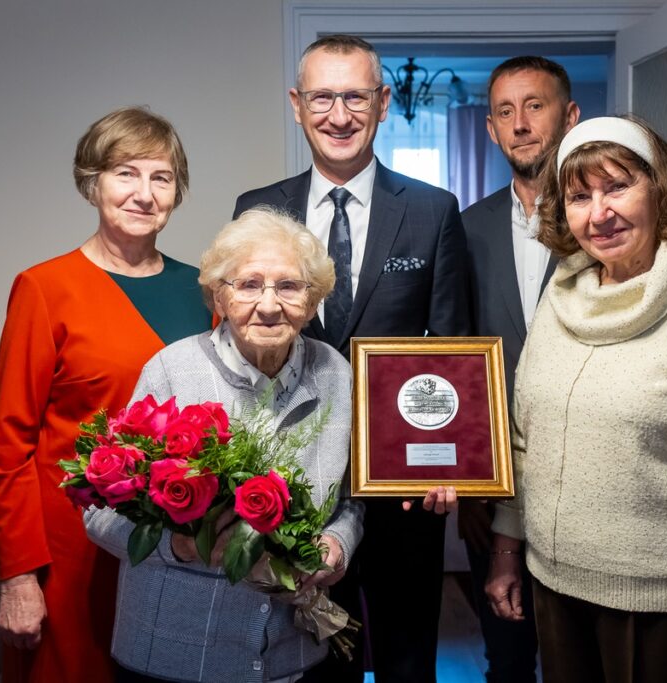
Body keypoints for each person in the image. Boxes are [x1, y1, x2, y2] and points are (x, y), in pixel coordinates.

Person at [486, 116, 667, 683]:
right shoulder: (561, 292)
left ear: (660, 189)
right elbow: (525, 439)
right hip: (554, 585)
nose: (598, 213)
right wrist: (506, 550)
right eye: (579, 196)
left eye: (617, 186)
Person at [233, 34, 469, 683]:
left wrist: (449, 455)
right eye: (323, 96)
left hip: (401, 492)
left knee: (405, 662)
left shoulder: (432, 212)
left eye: (355, 96)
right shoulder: (257, 210)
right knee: (306, 663)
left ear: (383, 101)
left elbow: (452, 349)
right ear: (296, 103)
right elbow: (238, 350)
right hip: (293, 490)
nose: (339, 114)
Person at [84, 207, 364, 683]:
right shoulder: (172, 370)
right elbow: (99, 513)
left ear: (313, 301)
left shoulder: (337, 373)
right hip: (175, 653)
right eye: (249, 284)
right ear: (219, 294)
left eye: (290, 286)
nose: (270, 305)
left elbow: (352, 498)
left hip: (292, 652)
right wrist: (182, 546)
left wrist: (337, 543)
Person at [0, 107, 210, 683]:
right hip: (72, 553)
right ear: (93, 184)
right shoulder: (44, 289)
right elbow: (9, 448)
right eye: (125, 174)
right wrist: (18, 577)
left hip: (176, 548)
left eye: (161, 177)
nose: (144, 193)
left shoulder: (204, 289)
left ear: (176, 192)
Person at [459, 55, 579, 683]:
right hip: (497, 481)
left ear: (570, 116)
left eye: (535, 106)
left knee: (581, 656)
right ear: (491, 129)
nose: (521, 123)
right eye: (506, 111)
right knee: (505, 653)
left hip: (590, 481)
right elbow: (457, 356)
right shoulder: (464, 230)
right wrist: (473, 481)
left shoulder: (605, 225)